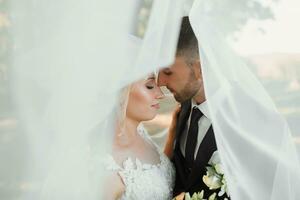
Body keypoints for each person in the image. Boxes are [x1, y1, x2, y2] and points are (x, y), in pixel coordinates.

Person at [158, 16, 230, 199]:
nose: (160, 81)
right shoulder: (183, 109)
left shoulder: (247, 120)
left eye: (167, 71)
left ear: (199, 69)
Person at [102, 74, 175, 200]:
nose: (160, 94)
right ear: (120, 93)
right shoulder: (106, 166)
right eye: (150, 86)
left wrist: (173, 133)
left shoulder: (141, 132)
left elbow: (158, 171)